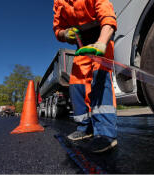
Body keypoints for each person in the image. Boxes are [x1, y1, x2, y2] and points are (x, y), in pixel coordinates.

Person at [53, 0, 117, 153]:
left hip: (102, 37)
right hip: (82, 46)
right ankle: (85, 128)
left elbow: (107, 15)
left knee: (100, 79)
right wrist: (65, 34)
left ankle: (105, 134)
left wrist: (102, 42)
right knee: (76, 84)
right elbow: (58, 29)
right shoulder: (58, 2)